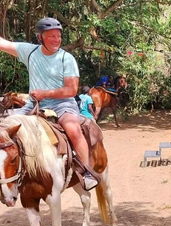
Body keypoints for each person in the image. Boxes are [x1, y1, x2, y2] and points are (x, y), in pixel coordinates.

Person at [0, 17, 98, 190]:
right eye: (51, 36)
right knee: (4, 127)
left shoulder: (66, 59)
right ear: (40, 38)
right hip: (33, 105)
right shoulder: (29, 52)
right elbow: (4, 44)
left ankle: (86, 172)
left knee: (74, 130)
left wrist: (45, 93)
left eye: (58, 36)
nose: (56, 40)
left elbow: (72, 90)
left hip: (63, 105)